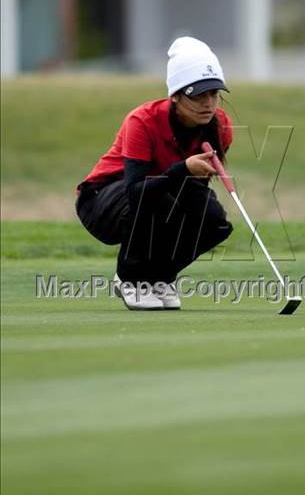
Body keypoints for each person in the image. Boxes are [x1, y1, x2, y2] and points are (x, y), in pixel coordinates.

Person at [75, 37, 234, 311]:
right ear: (175, 95)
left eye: (214, 94)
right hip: (103, 199)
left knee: (214, 221)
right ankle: (130, 279)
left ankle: (160, 278)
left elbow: (191, 199)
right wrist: (183, 168)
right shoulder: (143, 121)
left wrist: (189, 182)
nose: (209, 103)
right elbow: (136, 192)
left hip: (159, 194)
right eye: (198, 95)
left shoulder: (220, 127)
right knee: (158, 201)